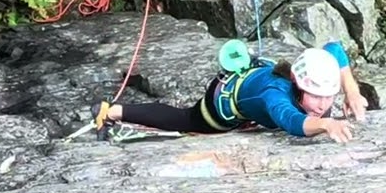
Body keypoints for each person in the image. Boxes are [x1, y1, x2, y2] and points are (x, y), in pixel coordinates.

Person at [91, 41, 369, 143]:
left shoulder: (309, 77)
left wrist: (351, 92)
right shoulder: (274, 95)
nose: (322, 105)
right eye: (316, 96)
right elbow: (291, 121)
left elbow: (334, 49)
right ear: (297, 83)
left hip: (249, 78)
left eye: (328, 96)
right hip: (222, 105)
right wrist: (326, 124)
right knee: (184, 121)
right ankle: (111, 111)